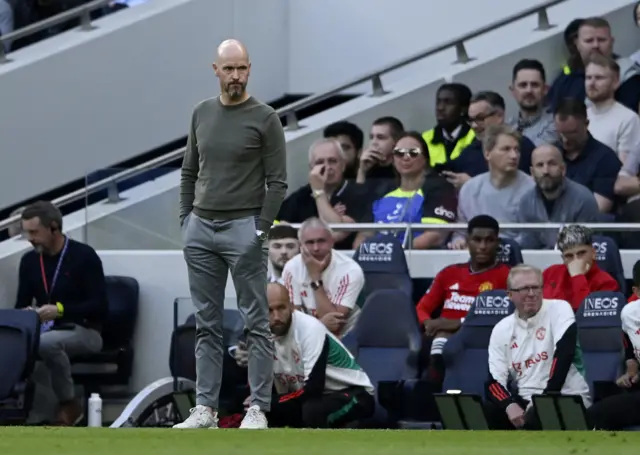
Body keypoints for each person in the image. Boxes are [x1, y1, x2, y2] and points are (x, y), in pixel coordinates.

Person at [176, 39, 287, 430]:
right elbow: (190, 169)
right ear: (216, 70)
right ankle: (205, 408)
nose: (236, 76)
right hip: (201, 227)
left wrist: (260, 229)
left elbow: (278, 182)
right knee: (206, 322)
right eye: (229, 69)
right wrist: (185, 220)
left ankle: (258, 406)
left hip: (244, 227)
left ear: (249, 69)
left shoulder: (266, 117)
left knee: (256, 321)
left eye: (242, 68)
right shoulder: (201, 113)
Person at [16, 201, 107, 426]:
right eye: (27, 232)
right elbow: (21, 303)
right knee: (30, 346)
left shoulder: (84, 256)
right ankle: (38, 419)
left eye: (34, 232)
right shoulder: (29, 261)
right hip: (45, 331)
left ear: (54, 228)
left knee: (44, 344)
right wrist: (27, 314)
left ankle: (69, 403)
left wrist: (60, 311)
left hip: (85, 330)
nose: (30, 238)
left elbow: (100, 305)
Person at [485, 264, 591, 430]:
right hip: (525, 399)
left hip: (565, 396)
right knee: (486, 413)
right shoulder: (501, 329)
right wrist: (508, 404)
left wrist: (543, 402)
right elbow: (493, 381)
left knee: (536, 418)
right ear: (510, 294)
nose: (532, 294)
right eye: (524, 289)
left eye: (536, 287)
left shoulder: (560, 308)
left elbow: (564, 354)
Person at [415, 215, 510, 385]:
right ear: (467, 241)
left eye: (489, 240)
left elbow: (507, 318)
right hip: (439, 333)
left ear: (497, 243)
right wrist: (429, 323)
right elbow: (421, 308)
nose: (483, 246)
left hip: (479, 338)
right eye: (477, 240)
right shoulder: (449, 273)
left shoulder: (507, 276)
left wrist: (458, 323)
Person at [264, 282, 375, 428]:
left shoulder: (310, 329)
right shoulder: (260, 333)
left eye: (281, 308)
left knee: (312, 411)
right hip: (312, 397)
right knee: (259, 411)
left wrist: (272, 402)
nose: (276, 316)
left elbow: (313, 389)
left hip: (355, 395)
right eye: (269, 310)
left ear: (291, 306)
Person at [282, 218, 364, 338]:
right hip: (307, 337)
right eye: (310, 242)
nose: (316, 248)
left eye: (321, 241)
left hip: (346, 337)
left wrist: (315, 278)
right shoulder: (291, 268)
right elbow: (293, 321)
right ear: (301, 245)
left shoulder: (350, 271)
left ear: (332, 242)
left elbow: (335, 326)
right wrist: (320, 324)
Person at [586, 267, 640, 430]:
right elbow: (631, 348)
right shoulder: (630, 314)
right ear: (637, 291)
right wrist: (631, 372)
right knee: (595, 414)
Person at [542, 225, 619, 311]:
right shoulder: (550, 273)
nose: (576, 260)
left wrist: (577, 278)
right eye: (569, 256)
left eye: (581, 253)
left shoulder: (606, 283)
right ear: (563, 259)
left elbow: (586, 315)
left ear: (593, 253)